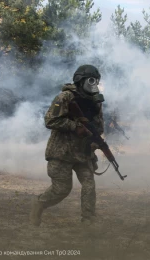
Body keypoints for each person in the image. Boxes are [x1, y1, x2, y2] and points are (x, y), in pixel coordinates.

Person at [30, 64, 104, 227]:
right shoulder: (65, 97)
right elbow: (50, 120)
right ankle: (40, 204)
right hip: (61, 152)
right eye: (90, 80)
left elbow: (98, 127)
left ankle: (88, 219)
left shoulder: (96, 102)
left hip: (82, 152)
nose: (94, 84)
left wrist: (94, 146)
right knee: (62, 189)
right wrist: (74, 126)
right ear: (80, 80)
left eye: (96, 81)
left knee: (89, 184)